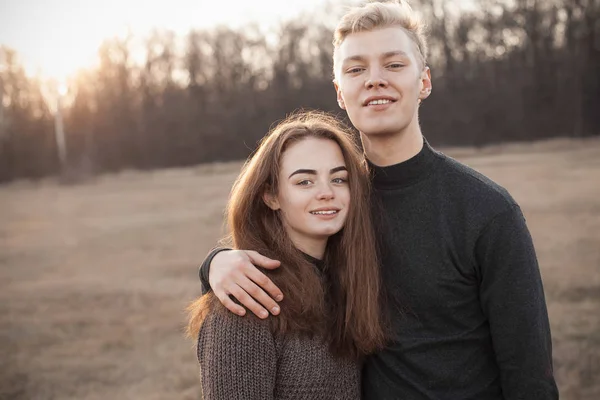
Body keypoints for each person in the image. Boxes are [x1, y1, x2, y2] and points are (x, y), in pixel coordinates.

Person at [198, 1, 559, 399]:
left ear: (424, 82)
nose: (374, 80)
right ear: (340, 92)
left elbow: (530, 375)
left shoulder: (487, 211)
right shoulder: (335, 204)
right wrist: (216, 264)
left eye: (394, 64)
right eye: (356, 69)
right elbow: (291, 262)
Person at [187, 112, 387, 399]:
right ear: (271, 196)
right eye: (304, 182)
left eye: (339, 179)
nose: (326, 192)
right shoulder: (248, 300)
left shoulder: (349, 282)